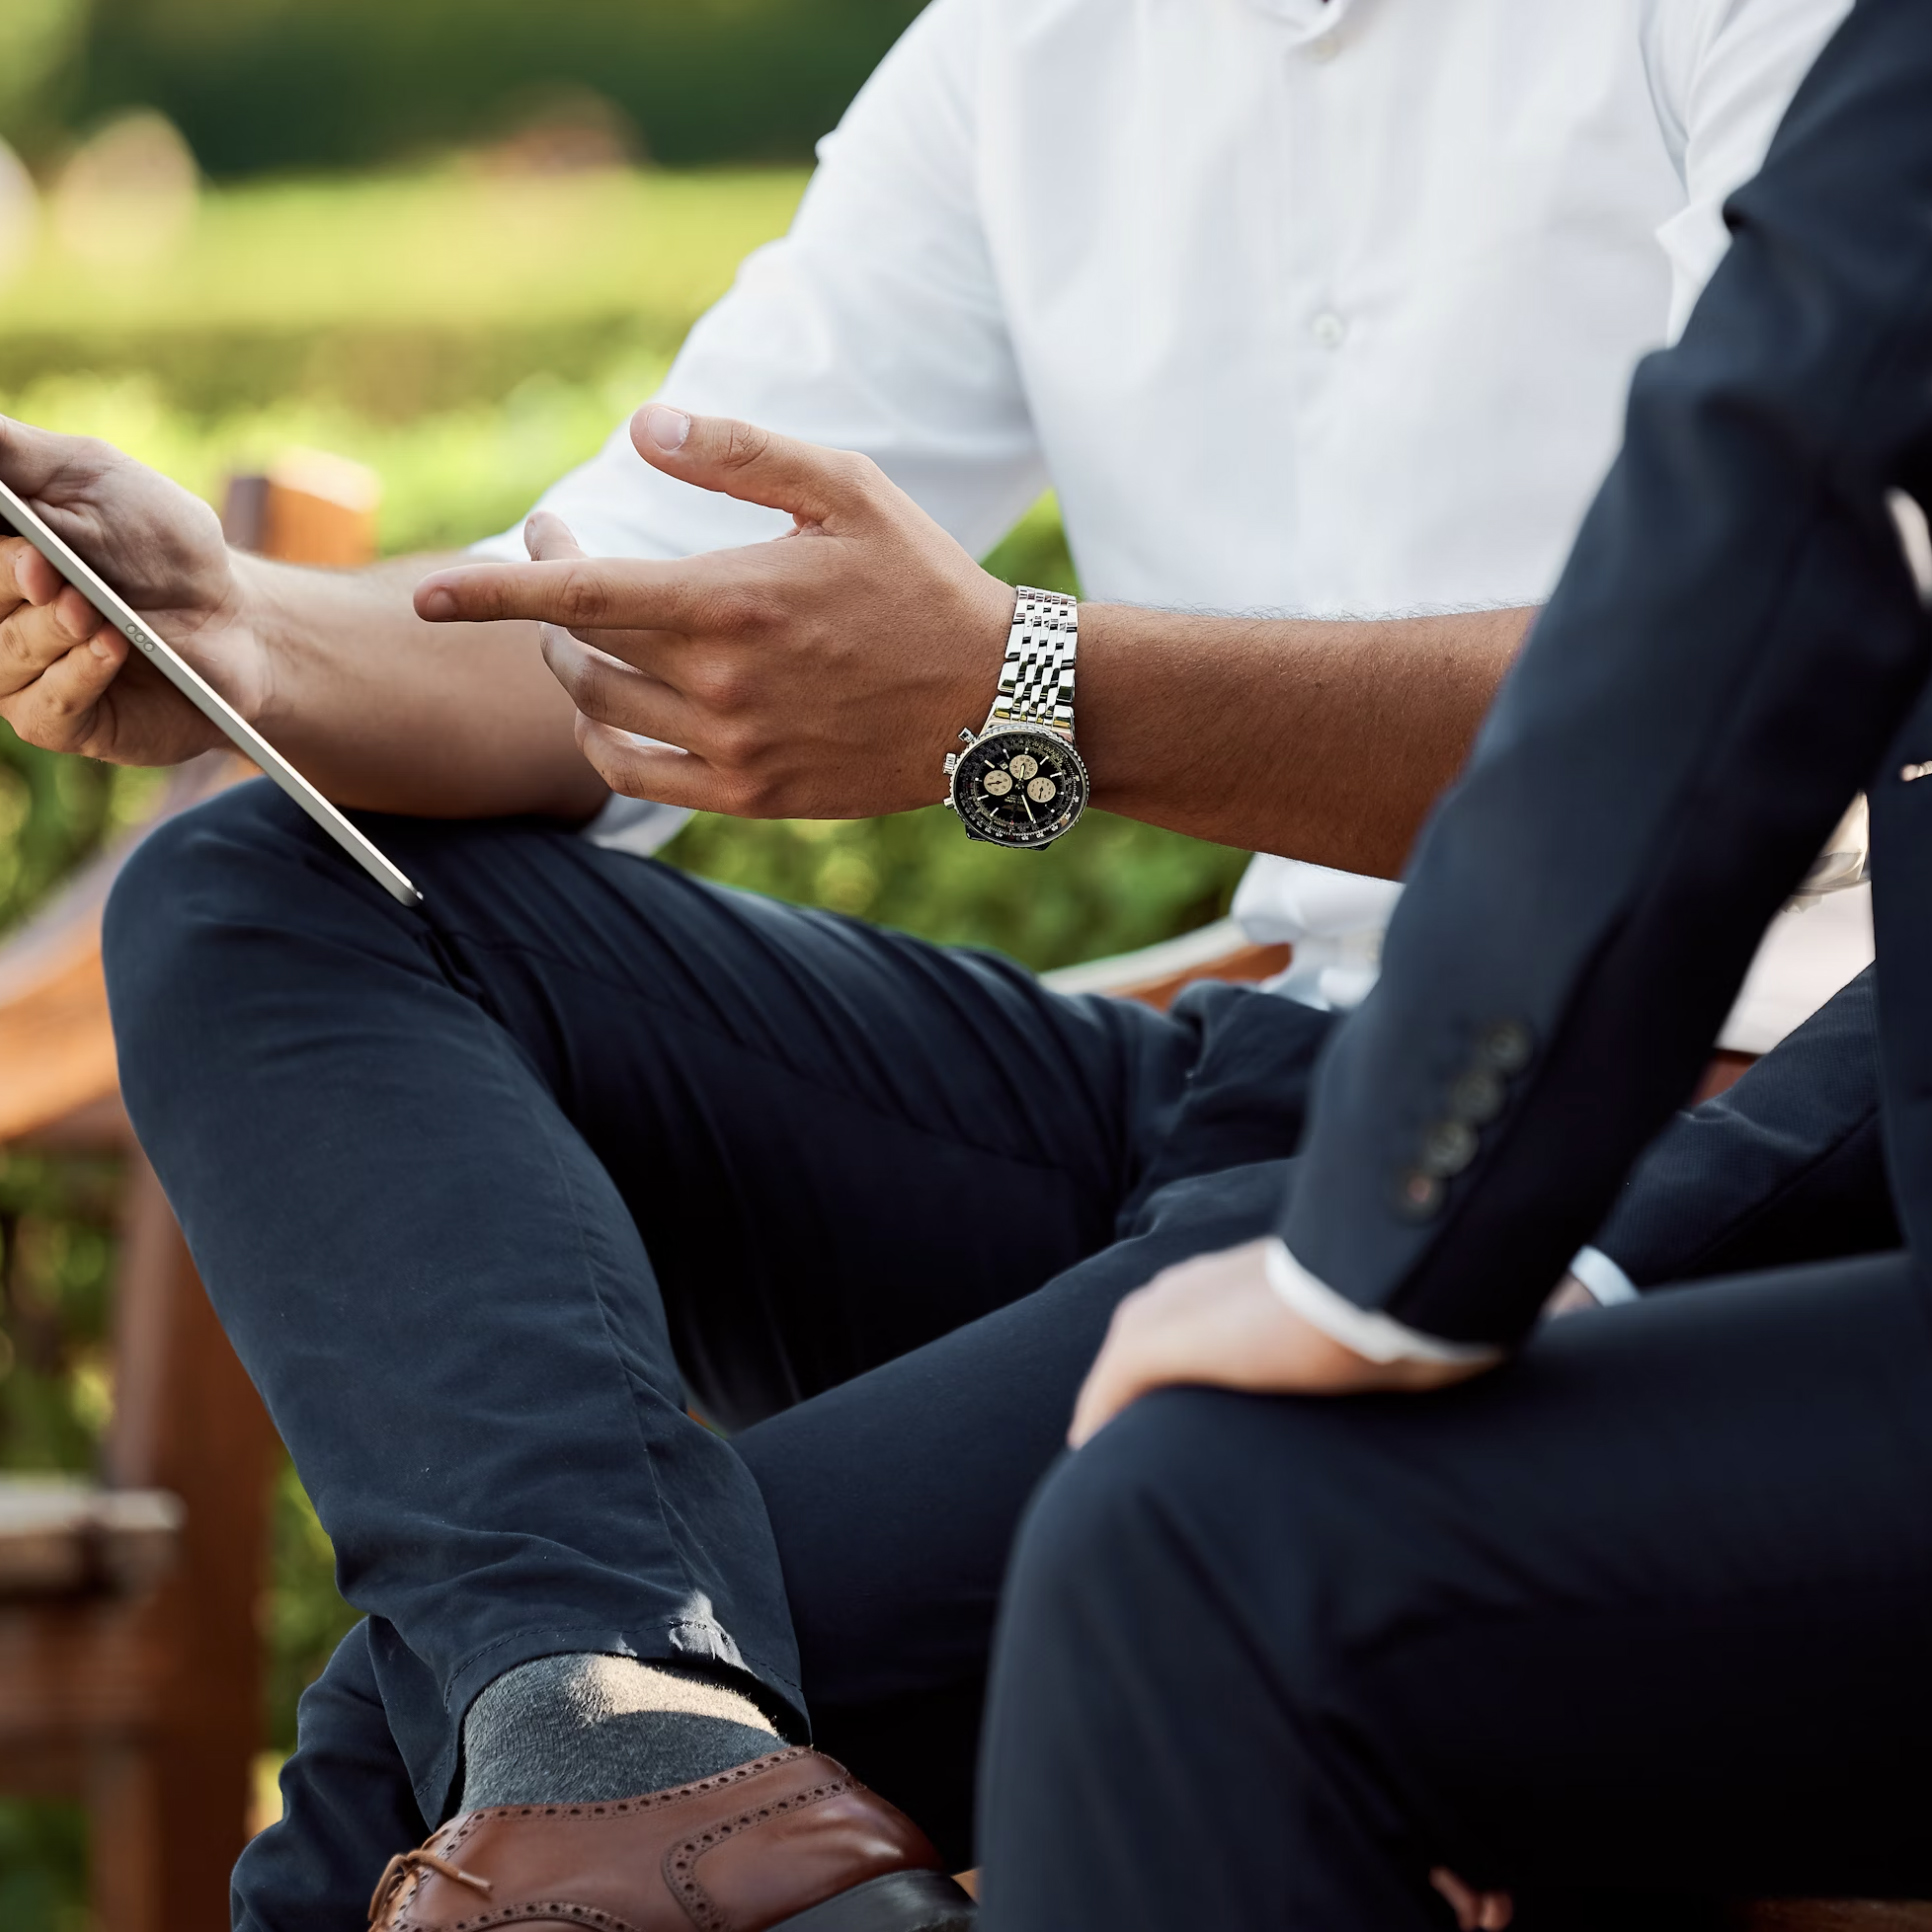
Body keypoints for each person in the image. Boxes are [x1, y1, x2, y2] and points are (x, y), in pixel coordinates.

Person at [0, 0, 1866, 1924]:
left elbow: (1764, 696)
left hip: (1675, 1133)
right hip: (1254, 1089)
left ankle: (613, 1746)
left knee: (404, 1791)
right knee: (252, 888)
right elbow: (625, 620)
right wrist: (241, 628)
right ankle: (623, 1725)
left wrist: (1025, 690)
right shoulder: (1031, 42)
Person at [971, 0, 1932, 1923]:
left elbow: (1777, 512)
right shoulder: (1009, 55)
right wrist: (1557, 1254)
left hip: (1545, 1140)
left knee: (1197, 1553)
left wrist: (1385, 1264)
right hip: (1300, 1099)